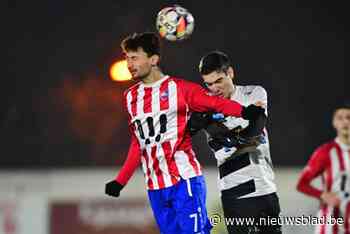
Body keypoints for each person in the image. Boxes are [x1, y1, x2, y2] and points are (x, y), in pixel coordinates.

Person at [104, 32, 265, 234]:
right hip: (155, 187)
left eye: (134, 57)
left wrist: (244, 111)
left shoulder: (180, 88)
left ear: (153, 59)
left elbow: (216, 103)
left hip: (184, 180)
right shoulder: (130, 97)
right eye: (126, 58)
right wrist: (121, 180)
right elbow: (139, 143)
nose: (129, 63)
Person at [189, 51, 282, 234]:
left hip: (264, 187)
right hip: (234, 192)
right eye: (208, 84)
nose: (214, 88)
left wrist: (236, 139)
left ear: (230, 73)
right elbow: (196, 132)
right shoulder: (205, 106)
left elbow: (257, 124)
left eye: (219, 81)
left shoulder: (253, 92)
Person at [297, 104, 350, 234]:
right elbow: (302, 184)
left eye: (349, 117)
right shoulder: (325, 152)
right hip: (331, 225)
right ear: (334, 122)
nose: (345, 121)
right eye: (340, 118)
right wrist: (323, 195)